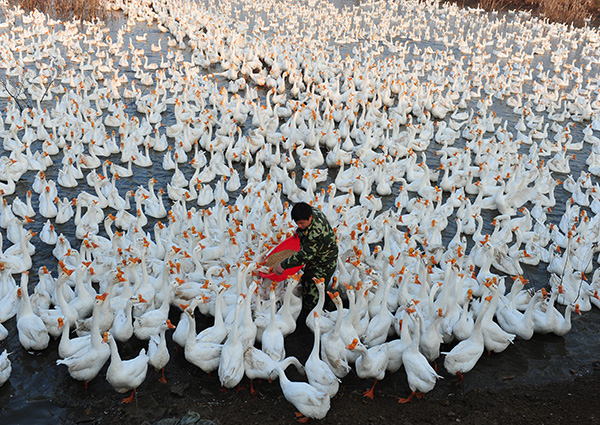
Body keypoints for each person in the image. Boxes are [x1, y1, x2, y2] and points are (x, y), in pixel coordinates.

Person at [275, 202, 338, 312]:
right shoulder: (312, 211)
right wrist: (299, 231)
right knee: (306, 280)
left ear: (309, 217)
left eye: (301, 223)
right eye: (297, 223)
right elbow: (304, 230)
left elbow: (305, 255)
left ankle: (313, 312)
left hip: (325, 261)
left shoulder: (314, 233)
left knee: (312, 291)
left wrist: (283, 265)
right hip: (318, 254)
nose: (299, 225)